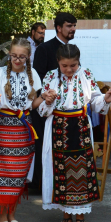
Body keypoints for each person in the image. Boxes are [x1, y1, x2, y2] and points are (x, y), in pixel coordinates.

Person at [38, 43, 111, 222]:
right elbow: (42, 111)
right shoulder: (51, 76)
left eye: (73, 65)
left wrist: (106, 98)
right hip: (58, 126)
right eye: (64, 66)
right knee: (61, 170)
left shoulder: (86, 75)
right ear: (58, 62)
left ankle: (81, 217)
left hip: (81, 126)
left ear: (78, 62)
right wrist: (48, 101)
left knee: (81, 170)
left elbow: (95, 102)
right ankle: (66, 216)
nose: (68, 70)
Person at [0, 38, 43, 222]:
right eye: (13, 56)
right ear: (9, 55)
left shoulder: (33, 74)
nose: (17, 60)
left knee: (20, 172)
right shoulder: (0, 73)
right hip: (5, 125)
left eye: (22, 57)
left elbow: (33, 105)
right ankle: (1, 214)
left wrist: (44, 98)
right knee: (6, 172)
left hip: (25, 125)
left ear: (28, 56)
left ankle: (12, 214)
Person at [31, 12, 78, 193]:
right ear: (58, 28)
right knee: (44, 146)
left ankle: (60, 183)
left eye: (74, 25)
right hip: (46, 106)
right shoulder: (45, 48)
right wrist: (49, 96)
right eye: (69, 25)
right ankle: (41, 184)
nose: (73, 29)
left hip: (66, 109)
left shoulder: (72, 49)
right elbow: (38, 78)